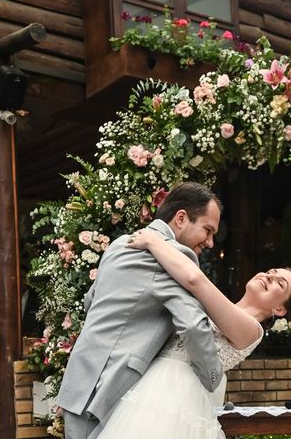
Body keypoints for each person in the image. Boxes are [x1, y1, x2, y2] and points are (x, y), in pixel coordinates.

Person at [94, 229, 291, 439]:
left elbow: (195, 280)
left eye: (280, 283)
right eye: (271, 272)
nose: (270, 276)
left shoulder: (252, 330)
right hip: (152, 382)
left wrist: (153, 241)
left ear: (279, 310)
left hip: (179, 394)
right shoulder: (225, 309)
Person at [57, 182, 225, 439]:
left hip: (79, 380)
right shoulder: (175, 256)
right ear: (181, 218)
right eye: (207, 229)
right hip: (112, 389)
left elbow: (91, 301)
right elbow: (192, 325)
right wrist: (215, 379)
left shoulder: (120, 244)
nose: (211, 242)